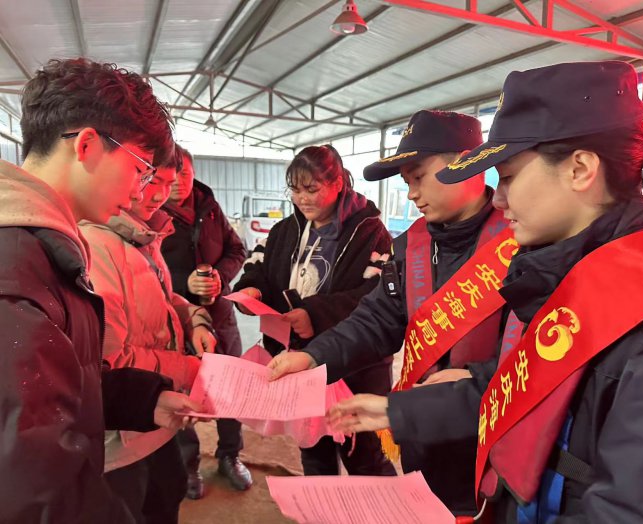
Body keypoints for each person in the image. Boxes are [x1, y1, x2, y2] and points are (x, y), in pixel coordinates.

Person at [334, 61, 643, 523]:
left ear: (580, 169)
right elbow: (524, 384)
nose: (500, 198)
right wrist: (400, 409)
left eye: (507, 177)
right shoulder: (585, 267)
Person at [267, 110, 511, 514]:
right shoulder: (411, 246)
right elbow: (375, 320)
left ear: (469, 163)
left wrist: (473, 379)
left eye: (419, 178)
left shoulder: (521, 241)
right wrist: (312, 357)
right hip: (422, 432)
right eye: (407, 182)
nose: (412, 194)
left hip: (493, 440)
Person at [0, 57, 200, 523]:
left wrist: (142, 399)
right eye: (141, 168)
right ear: (87, 145)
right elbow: (34, 479)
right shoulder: (16, 268)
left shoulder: (49, 245)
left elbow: (60, 386)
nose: (142, 190)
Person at [233, 144, 396, 478]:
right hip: (300, 363)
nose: (302, 199)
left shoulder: (370, 233)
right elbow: (258, 268)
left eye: (311, 189)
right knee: (313, 449)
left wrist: (316, 314)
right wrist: (252, 290)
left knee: (364, 455)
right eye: (295, 190)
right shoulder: (284, 231)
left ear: (338, 183)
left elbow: (376, 296)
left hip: (354, 367)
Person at [79, 146, 216, 522]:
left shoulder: (142, 235)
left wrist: (195, 319)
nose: (161, 194)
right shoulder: (98, 246)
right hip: (122, 438)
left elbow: (163, 298)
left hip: (156, 421)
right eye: (152, 180)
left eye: (171, 183)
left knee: (168, 493)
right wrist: (189, 370)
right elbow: (110, 360)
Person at [160, 145, 251, 497]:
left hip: (220, 316)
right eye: (170, 174)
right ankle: (187, 464)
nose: (177, 181)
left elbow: (237, 249)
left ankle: (230, 455)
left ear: (193, 171)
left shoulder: (209, 207)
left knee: (231, 387)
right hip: (175, 320)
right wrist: (183, 284)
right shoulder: (150, 212)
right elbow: (146, 269)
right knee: (180, 391)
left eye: (184, 173)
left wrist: (219, 277)